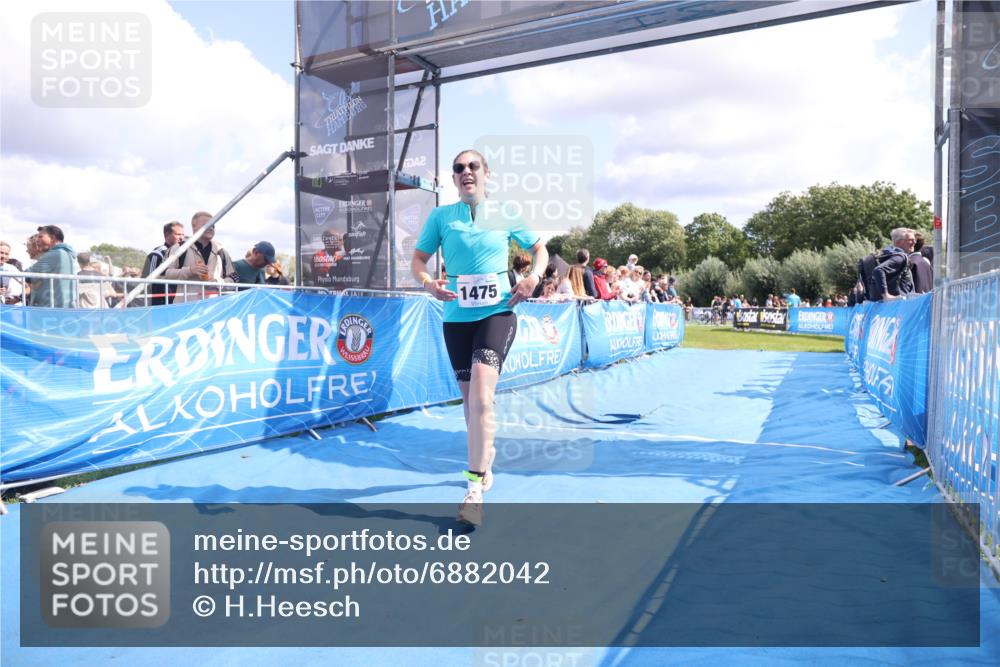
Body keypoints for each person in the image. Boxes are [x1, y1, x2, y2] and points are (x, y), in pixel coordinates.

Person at [411, 149, 547, 526]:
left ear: (486, 174)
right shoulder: (441, 217)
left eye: (473, 167)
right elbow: (418, 261)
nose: (466, 172)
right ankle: (484, 459)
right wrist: (428, 284)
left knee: (483, 400)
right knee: (471, 406)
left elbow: (539, 249)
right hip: (456, 318)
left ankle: (473, 490)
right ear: (453, 179)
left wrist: (534, 276)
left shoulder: (506, 213)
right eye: (459, 169)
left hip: (497, 313)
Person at [164, 212, 238, 303]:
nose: (211, 228)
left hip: (214, 310)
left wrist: (216, 283)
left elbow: (234, 279)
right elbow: (165, 275)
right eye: (207, 224)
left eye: (213, 225)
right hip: (185, 309)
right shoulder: (179, 248)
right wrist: (190, 271)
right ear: (193, 226)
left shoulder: (221, 251)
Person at [27, 225, 77, 307]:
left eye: (41, 237)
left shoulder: (56, 254)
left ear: (52, 238)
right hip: (62, 307)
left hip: (51, 309)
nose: (38, 240)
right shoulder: (67, 254)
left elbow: (28, 275)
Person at [142, 221, 186, 306]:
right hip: (159, 304)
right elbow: (149, 282)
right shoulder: (156, 254)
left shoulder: (183, 253)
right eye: (178, 234)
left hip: (177, 302)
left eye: (183, 235)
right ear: (166, 235)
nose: (181, 238)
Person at [870, 228, 916, 301]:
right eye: (910, 240)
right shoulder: (900, 257)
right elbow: (879, 270)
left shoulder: (887, 255)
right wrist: (886, 295)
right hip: (900, 303)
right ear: (898, 242)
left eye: (914, 239)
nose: (914, 242)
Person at [0, 241, 25, 305]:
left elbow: (27, 285)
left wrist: (18, 298)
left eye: (6, 254)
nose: (3, 256)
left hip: (9, 306)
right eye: (1, 253)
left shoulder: (11, 268)